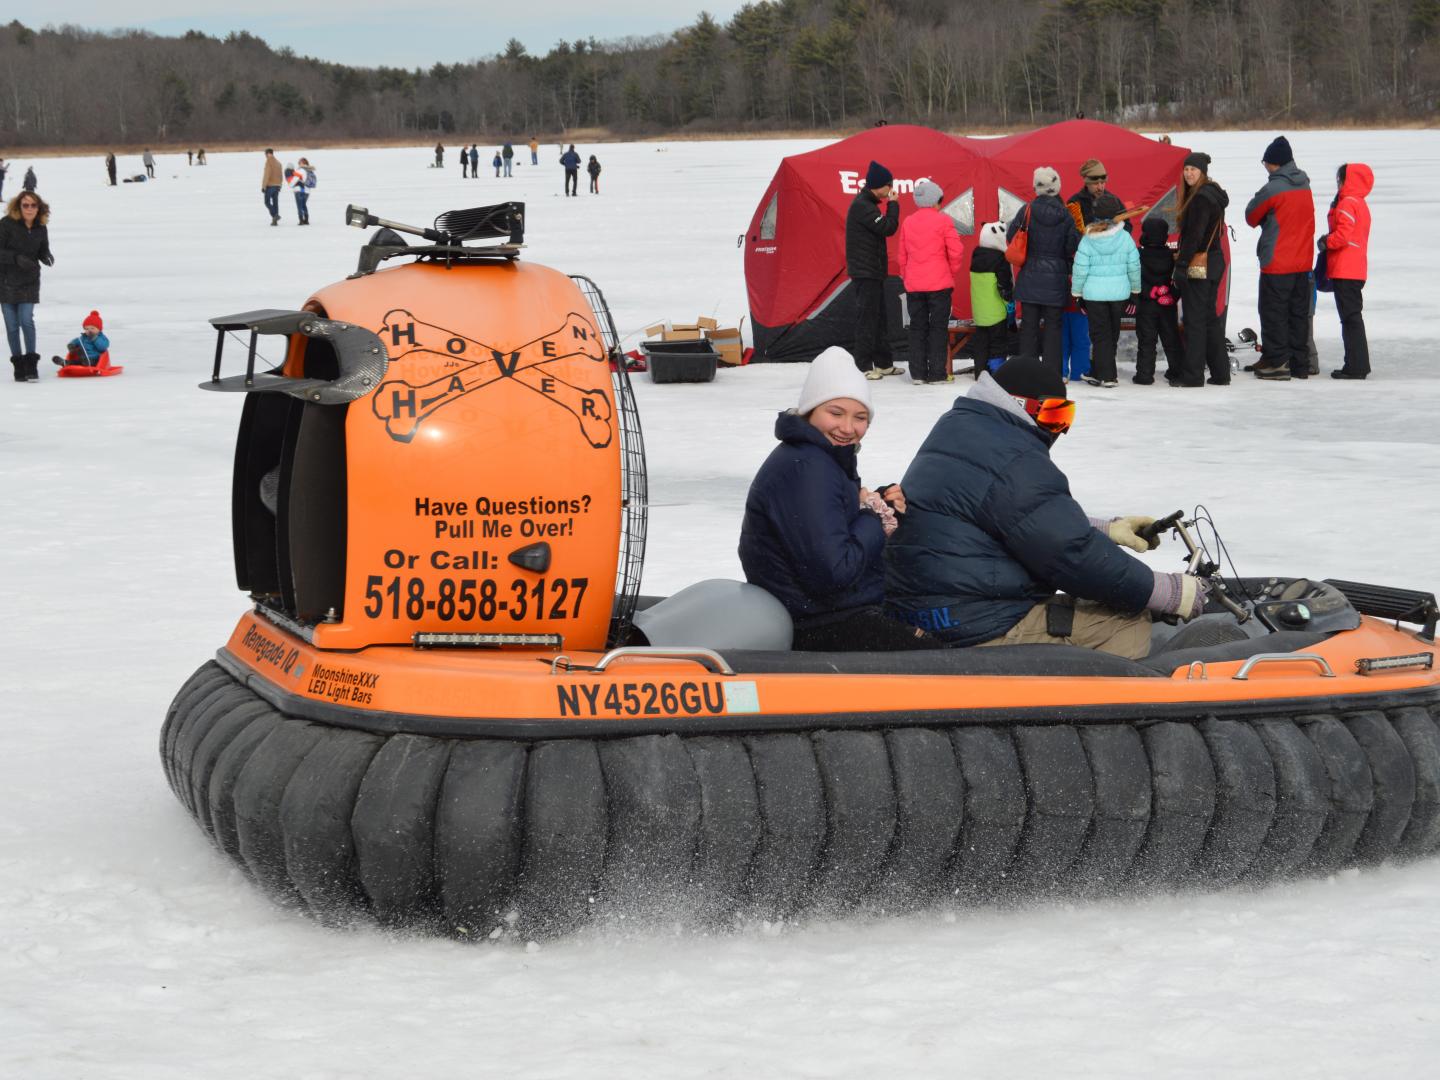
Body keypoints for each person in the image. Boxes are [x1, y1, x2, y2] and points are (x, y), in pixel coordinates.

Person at [884, 357, 1208, 657]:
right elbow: (1071, 555)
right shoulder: (1015, 456)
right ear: (1023, 406)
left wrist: (1104, 529)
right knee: (1127, 621)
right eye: (1055, 415)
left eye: (1066, 417)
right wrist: (1166, 591)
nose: (1060, 430)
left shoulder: (962, 429)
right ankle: (1099, 715)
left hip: (931, 607)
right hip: (971, 623)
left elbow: (1008, 516)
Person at [738, 346, 931, 652]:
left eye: (860, 417)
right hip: (817, 623)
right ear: (810, 411)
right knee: (941, 668)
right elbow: (833, 572)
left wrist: (877, 505)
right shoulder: (807, 468)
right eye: (835, 413)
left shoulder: (820, 458)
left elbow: (830, 531)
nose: (847, 428)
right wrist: (875, 517)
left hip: (821, 612)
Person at [1244, 136, 1315, 381]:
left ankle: (1276, 362)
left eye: (1265, 162)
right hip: (1303, 262)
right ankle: (1299, 363)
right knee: (1297, 314)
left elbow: (1251, 216)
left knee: (1273, 313)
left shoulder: (1273, 188)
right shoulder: (1305, 184)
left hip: (1277, 263)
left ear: (1274, 163)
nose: (1264, 166)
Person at [1007, 166, 1079, 374]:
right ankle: (1051, 374)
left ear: (1036, 187)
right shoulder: (1066, 214)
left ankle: (1027, 373)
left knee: (1028, 327)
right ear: (1056, 187)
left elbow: (1011, 237)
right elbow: (1070, 247)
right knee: (1053, 329)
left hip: (1030, 276)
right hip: (1056, 279)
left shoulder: (1026, 210)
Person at [1172, 151, 1230, 387]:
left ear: (1202, 173)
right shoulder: (1213, 194)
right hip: (1215, 261)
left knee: (1195, 319)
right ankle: (1220, 372)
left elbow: (1194, 236)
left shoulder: (1200, 198)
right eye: (1186, 169)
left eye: (1193, 170)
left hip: (1200, 263)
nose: (1188, 174)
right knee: (1208, 318)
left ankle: (1193, 375)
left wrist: (1182, 264)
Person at [897, 178, 963, 384]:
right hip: (940, 284)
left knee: (917, 327)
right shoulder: (943, 220)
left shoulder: (908, 222)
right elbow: (956, 251)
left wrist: (906, 275)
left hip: (914, 285)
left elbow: (902, 255)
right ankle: (936, 373)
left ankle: (917, 374)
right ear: (935, 201)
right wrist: (950, 272)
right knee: (938, 327)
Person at [846, 160, 901, 380]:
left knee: (879, 319)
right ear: (879, 186)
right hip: (865, 272)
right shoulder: (863, 206)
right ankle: (863, 365)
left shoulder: (868, 204)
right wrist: (893, 205)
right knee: (867, 319)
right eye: (889, 185)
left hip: (874, 271)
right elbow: (888, 227)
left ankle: (884, 363)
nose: (891, 190)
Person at [1071, 217, 1140, 388]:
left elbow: (1080, 269)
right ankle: (1096, 372)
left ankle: (1108, 376)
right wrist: (1135, 290)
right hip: (1119, 293)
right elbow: (1134, 265)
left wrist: (1077, 293)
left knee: (1099, 334)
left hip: (1094, 294)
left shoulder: (1087, 239)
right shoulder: (1124, 237)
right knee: (1111, 333)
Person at [1321, 163, 1373, 380]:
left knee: (1350, 319)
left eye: (1340, 178)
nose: (1338, 182)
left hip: (1346, 269)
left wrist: (1325, 242)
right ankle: (1355, 363)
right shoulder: (1359, 203)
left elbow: (1343, 235)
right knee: (1352, 318)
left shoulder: (1347, 203)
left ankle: (1356, 366)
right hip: (1355, 268)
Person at [0, 190, 54, 383]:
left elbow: (42, 248)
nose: (29, 209)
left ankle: (31, 363)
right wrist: (15, 258)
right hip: (6, 281)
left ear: (39, 208)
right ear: (18, 206)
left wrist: (45, 255)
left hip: (30, 280)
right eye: (26, 205)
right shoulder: (6, 224)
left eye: (33, 205)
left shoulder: (40, 227)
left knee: (26, 321)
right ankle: (19, 365)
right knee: (12, 326)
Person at [1132, 216, 1183, 384]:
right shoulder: (1172, 255)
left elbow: (1135, 279)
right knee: (1171, 339)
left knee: (1147, 340)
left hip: (1146, 304)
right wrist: (1171, 296)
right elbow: (1178, 279)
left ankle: (1144, 375)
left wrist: (1149, 293)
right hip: (1167, 304)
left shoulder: (1138, 255)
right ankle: (1177, 371)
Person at [968, 221, 1013, 376]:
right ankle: (997, 372)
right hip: (996, 311)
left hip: (979, 312)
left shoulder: (976, 255)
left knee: (981, 342)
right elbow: (1004, 286)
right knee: (998, 342)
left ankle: (980, 372)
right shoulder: (1001, 259)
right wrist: (1009, 303)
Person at [289, 158, 316, 225]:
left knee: (299, 206)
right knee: (304, 205)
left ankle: (301, 220)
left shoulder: (300, 170)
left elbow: (293, 181)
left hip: (299, 190)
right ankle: (306, 220)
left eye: (299, 162)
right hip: (307, 191)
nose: (298, 163)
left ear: (302, 163)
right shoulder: (309, 170)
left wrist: (290, 184)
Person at [261, 148, 283, 226]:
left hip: (270, 186)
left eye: (265, 154)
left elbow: (267, 174)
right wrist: (280, 185)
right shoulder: (278, 163)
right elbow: (281, 175)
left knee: (267, 202)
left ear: (267, 153)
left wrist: (263, 186)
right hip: (277, 186)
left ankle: (275, 215)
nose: (265, 156)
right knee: (275, 203)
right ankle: (275, 221)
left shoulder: (268, 161)